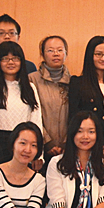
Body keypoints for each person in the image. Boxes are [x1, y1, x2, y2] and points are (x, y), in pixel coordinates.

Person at [0, 41, 43, 172]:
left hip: (23, 144)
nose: (10, 62)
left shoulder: (30, 88)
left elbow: (36, 122)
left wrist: (39, 154)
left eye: (15, 58)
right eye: (5, 58)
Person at [69, 36, 104, 180]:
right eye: (98, 54)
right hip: (85, 148)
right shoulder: (77, 83)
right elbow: (74, 117)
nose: (103, 58)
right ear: (90, 55)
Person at [29, 35, 71, 167]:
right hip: (39, 148)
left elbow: (76, 115)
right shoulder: (32, 80)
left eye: (60, 50)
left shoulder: (74, 82)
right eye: (50, 50)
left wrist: (66, 142)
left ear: (66, 53)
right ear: (42, 54)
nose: (56, 54)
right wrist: (47, 142)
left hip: (68, 148)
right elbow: (30, 114)